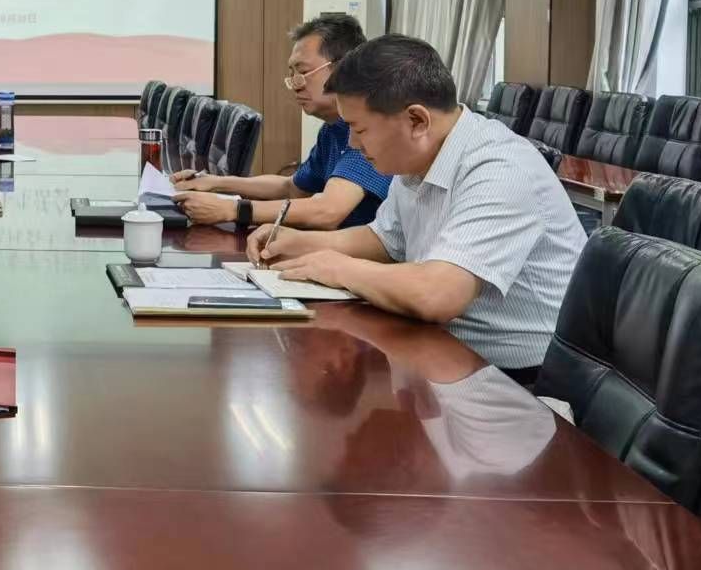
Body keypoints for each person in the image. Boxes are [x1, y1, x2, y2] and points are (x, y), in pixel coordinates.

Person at [250, 35, 586, 381]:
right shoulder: (419, 155)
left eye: (358, 128)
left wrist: (338, 267)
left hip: (520, 379)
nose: (352, 143)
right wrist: (299, 242)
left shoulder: (501, 169)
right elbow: (384, 241)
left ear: (416, 121)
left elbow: (437, 294)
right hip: (445, 350)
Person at [173, 13, 390, 230]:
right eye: (292, 74)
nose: (295, 85)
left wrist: (232, 209)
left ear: (343, 68)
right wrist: (214, 182)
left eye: (303, 72)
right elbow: (292, 187)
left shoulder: (369, 130)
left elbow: (327, 210)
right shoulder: (332, 129)